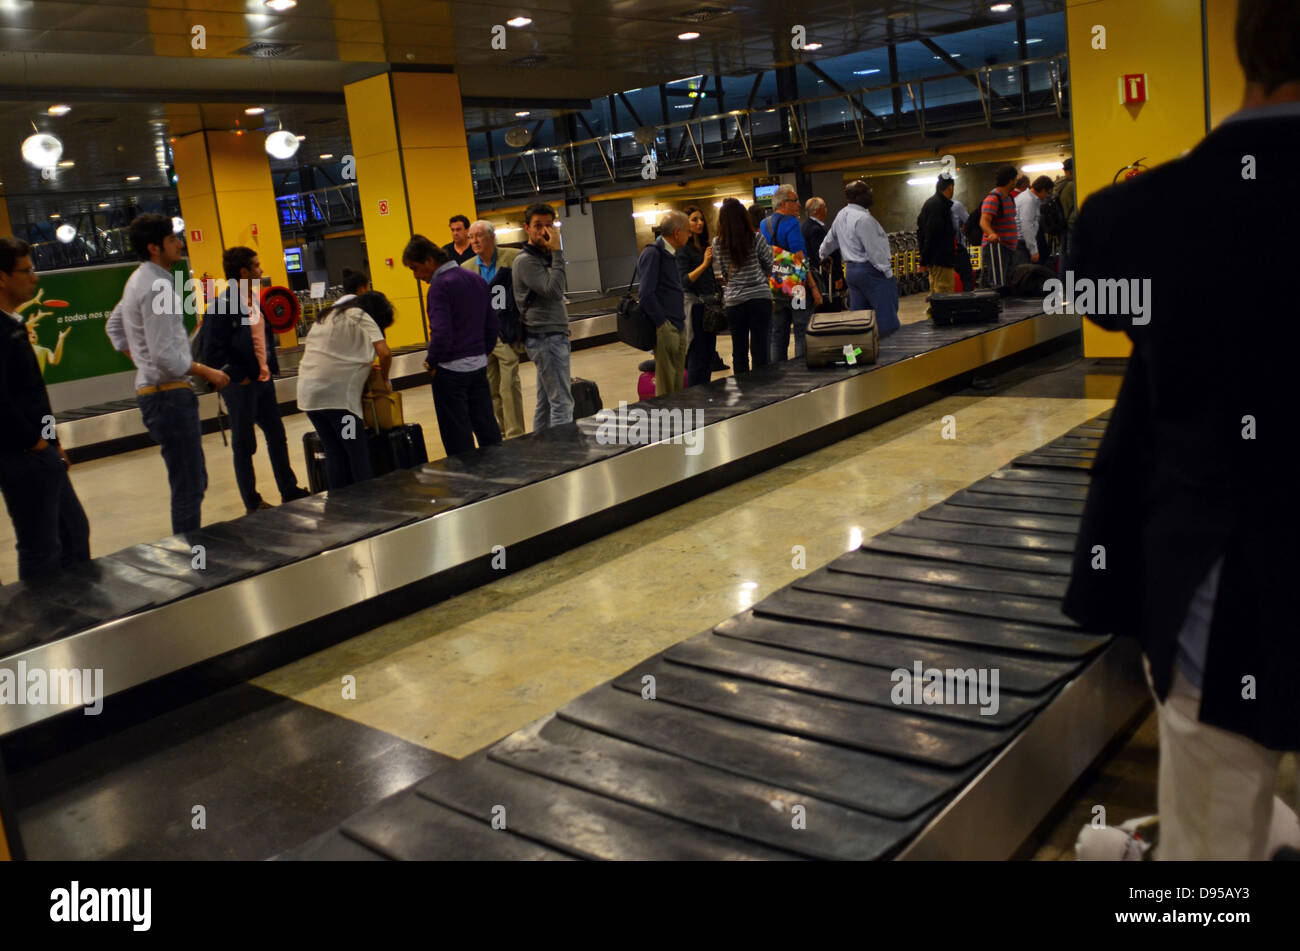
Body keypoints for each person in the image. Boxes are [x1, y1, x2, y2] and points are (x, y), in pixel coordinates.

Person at [1061, 0, 1300, 861]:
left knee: (1208, 852)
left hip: (1220, 590)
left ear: (1244, 53)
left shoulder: (1156, 214)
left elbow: (1093, 268)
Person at [106, 213, 229, 534]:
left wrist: (142, 361)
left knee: (190, 479)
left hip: (156, 394)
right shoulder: (158, 284)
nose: (179, 243)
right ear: (154, 247)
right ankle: (191, 558)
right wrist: (207, 371)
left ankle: (189, 554)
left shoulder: (138, 280)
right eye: (172, 239)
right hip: (170, 396)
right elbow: (165, 356)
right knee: (189, 484)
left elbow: (114, 327)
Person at [0, 237, 90, 582]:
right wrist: (35, 443)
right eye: (26, 271)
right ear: (2, 278)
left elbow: (37, 396)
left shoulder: (14, 324)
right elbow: (2, 401)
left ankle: (78, 613)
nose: (34, 278)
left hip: (42, 452)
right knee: (41, 547)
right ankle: (45, 628)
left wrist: (53, 443)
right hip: (22, 457)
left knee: (73, 533)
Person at [202, 246, 308, 516]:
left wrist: (267, 369)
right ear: (243, 272)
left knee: (277, 436)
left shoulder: (253, 300)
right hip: (241, 387)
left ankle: (289, 489)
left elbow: (261, 340)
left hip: (263, 381)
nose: (261, 270)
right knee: (244, 444)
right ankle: (252, 502)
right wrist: (239, 377)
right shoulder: (223, 306)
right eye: (257, 266)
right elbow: (211, 351)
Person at [403, 235, 501, 457]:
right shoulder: (476, 279)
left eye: (415, 268)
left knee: (458, 435)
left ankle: (469, 486)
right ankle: (502, 475)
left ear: (429, 260)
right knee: (486, 426)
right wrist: (481, 353)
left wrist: (431, 361)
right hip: (478, 366)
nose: (416, 276)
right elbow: (493, 324)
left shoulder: (439, 287)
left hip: (450, 372)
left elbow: (441, 334)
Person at [296, 292, 393, 490]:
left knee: (334, 451)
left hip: (310, 399)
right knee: (356, 452)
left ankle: (342, 506)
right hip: (340, 404)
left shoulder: (328, 315)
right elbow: (384, 353)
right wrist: (384, 378)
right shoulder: (361, 315)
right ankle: (367, 501)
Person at [512, 203, 573, 430]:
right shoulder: (526, 261)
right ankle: (565, 456)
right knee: (562, 403)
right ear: (526, 228)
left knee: (547, 402)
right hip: (545, 339)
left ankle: (541, 449)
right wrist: (558, 252)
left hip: (552, 334)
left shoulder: (542, 257)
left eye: (549, 225)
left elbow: (555, 298)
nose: (544, 231)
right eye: (538, 225)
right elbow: (554, 290)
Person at [463, 220, 525, 438]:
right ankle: (499, 432)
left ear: (491, 237)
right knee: (490, 388)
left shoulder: (513, 258)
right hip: (480, 336)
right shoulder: (467, 269)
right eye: (471, 237)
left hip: (505, 332)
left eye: (479, 236)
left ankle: (515, 433)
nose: (475, 241)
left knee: (509, 384)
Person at [819, 180, 900, 337]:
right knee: (887, 320)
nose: (871, 194)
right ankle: (890, 354)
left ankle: (860, 353)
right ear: (857, 197)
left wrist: (822, 255)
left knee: (860, 321)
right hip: (871, 271)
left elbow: (829, 241)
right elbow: (874, 250)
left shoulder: (841, 215)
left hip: (852, 272)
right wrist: (887, 273)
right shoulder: (863, 219)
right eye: (867, 191)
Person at [711, 198, 773, 373]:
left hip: (735, 301)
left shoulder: (717, 243)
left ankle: (744, 390)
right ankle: (761, 390)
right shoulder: (757, 238)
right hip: (760, 298)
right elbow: (769, 264)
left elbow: (723, 272)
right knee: (760, 348)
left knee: (739, 350)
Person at [760, 183, 821, 362]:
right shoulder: (792, 223)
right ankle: (801, 370)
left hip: (775, 286)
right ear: (783, 203)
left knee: (778, 333)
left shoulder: (764, 224)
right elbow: (800, 257)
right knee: (802, 329)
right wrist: (814, 286)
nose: (799, 205)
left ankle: (777, 373)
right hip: (796, 288)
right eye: (795, 201)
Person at [636, 211, 688, 396]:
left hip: (677, 324)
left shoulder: (669, 254)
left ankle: (678, 421)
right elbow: (646, 294)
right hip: (667, 328)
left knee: (677, 382)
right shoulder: (653, 253)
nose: (689, 235)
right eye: (687, 231)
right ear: (677, 233)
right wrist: (662, 324)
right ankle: (668, 422)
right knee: (666, 385)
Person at [678, 205, 719, 387]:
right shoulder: (683, 250)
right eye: (694, 220)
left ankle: (707, 391)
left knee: (709, 352)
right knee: (697, 352)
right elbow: (684, 281)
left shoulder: (704, 246)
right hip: (695, 307)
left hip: (710, 305)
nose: (700, 223)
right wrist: (704, 264)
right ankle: (696, 394)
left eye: (701, 219)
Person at [916, 173, 958, 316]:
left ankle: (934, 319)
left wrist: (925, 258)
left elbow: (923, 232)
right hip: (941, 259)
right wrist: (924, 259)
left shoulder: (933, 204)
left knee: (936, 292)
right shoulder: (938, 206)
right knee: (944, 293)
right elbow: (930, 235)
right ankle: (942, 322)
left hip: (936, 259)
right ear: (950, 187)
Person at [978, 166, 1019, 289]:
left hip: (1008, 248)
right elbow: (983, 221)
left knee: (1006, 283)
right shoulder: (993, 198)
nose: (1016, 181)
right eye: (1015, 179)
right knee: (997, 284)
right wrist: (992, 234)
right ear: (1011, 180)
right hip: (997, 249)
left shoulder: (1008, 197)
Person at [803, 196, 843, 304]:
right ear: (817, 210)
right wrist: (835, 277)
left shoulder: (809, 225)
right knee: (832, 306)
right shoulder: (815, 229)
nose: (826, 209)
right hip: (826, 278)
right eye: (824, 206)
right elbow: (821, 256)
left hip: (823, 275)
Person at [1014, 175, 1055, 266]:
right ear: (1043, 190)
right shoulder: (1029, 201)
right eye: (1047, 193)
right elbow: (1026, 226)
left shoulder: (1030, 198)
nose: (1047, 196)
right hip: (1021, 243)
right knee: (1026, 273)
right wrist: (1033, 250)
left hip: (1022, 242)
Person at [1055, 158, 1078, 272]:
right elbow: (1072, 208)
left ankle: (1064, 282)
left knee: (1064, 254)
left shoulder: (1059, 184)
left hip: (1062, 225)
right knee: (1071, 255)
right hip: (1071, 225)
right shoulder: (1071, 186)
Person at [950, 194, 975, 291]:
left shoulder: (931, 205)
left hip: (939, 252)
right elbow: (968, 222)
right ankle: (967, 300)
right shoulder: (956, 205)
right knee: (966, 276)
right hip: (956, 247)